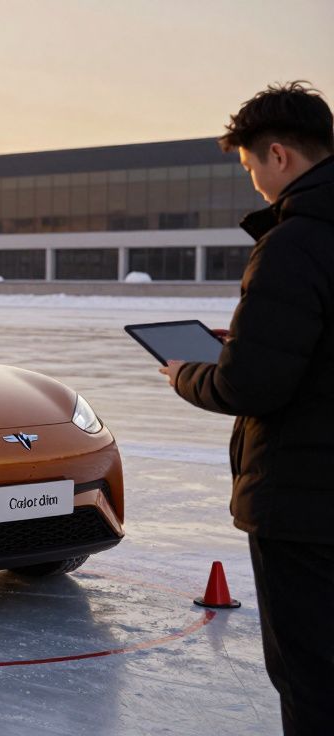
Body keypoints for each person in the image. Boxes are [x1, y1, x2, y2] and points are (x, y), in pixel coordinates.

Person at [159, 81, 334, 735]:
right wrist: (258, 339)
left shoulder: (294, 243)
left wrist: (188, 373)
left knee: (312, 678)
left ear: (278, 155)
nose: (254, 181)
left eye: (250, 165)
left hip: (306, 505)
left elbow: (250, 387)